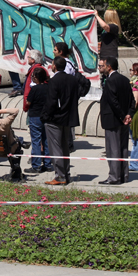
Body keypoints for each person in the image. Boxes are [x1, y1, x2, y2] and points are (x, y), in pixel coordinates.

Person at [43, 57, 90, 185]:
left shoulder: (54, 81)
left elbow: (51, 101)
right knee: (64, 147)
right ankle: (66, 174)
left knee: (56, 147)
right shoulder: (73, 79)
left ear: (54, 66)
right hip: (68, 117)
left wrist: (45, 115)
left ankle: (60, 176)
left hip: (55, 118)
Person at [98, 57, 134, 185]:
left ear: (109, 67)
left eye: (103, 65)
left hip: (114, 120)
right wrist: (129, 114)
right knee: (123, 148)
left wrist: (123, 116)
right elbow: (132, 100)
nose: (100, 68)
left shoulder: (111, 80)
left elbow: (113, 101)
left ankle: (114, 177)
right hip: (123, 121)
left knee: (113, 149)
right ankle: (123, 174)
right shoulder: (125, 80)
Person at [25, 67, 51, 174]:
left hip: (35, 116)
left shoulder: (34, 89)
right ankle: (48, 164)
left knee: (36, 141)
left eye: (32, 77)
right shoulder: (49, 88)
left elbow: (28, 102)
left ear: (36, 77)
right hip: (46, 116)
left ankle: (36, 165)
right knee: (46, 141)